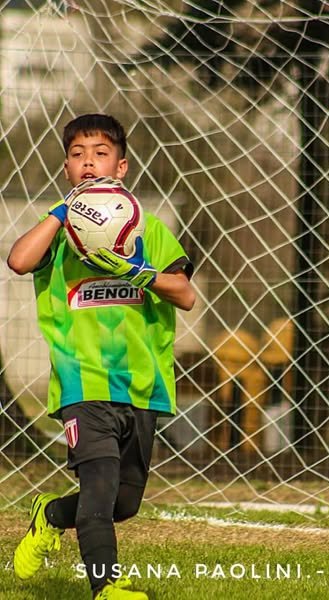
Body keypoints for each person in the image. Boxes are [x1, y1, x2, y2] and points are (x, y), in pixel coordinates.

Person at [8, 113, 196, 600]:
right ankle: (107, 587)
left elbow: (185, 294)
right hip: (83, 381)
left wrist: (139, 274)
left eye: (100, 153)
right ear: (66, 169)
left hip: (142, 383)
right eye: (77, 155)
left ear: (122, 166)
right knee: (98, 484)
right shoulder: (57, 232)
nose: (88, 163)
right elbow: (19, 260)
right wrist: (62, 212)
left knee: (124, 502)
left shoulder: (148, 228)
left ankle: (51, 515)